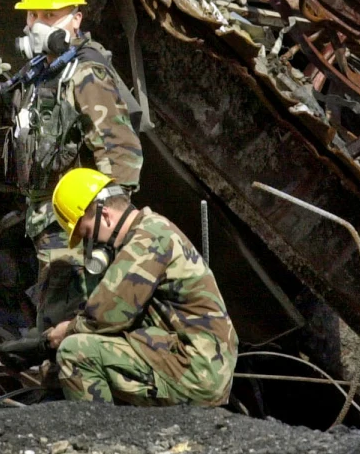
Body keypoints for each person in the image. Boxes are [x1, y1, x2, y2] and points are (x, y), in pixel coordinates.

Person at [0, 0, 143, 331]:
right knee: (54, 319)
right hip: (44, 221)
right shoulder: (39, 75)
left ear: (75, 19)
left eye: (50, 13)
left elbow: (121, 154)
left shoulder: (85, 73)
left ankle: (72, 386)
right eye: (33, 14)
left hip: (77, 228)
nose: (37, 23)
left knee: (68, 324)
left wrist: (104, 235)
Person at [44, 168, 239, 406]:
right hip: (190, 361)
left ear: (105, 216)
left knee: (75, 352)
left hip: (195, 369)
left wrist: (61, 333)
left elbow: (107, 316)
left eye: (86, 233)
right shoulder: (148, 231)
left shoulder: (149, 238)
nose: (90, 244)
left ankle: (97, 440)